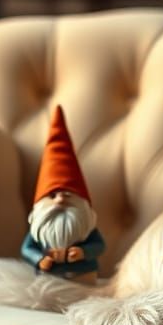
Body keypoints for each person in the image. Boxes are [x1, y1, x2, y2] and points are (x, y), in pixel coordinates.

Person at [21, 106, 104, 283]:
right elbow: (27, 249)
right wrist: (40, 259)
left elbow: (99, 245)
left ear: (82, 202)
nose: (60, 200)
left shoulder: (87, 227)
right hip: (49, 278)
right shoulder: (38, 230)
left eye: (67, 195)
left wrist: (83, 252)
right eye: (53, 196)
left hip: (83, 276)